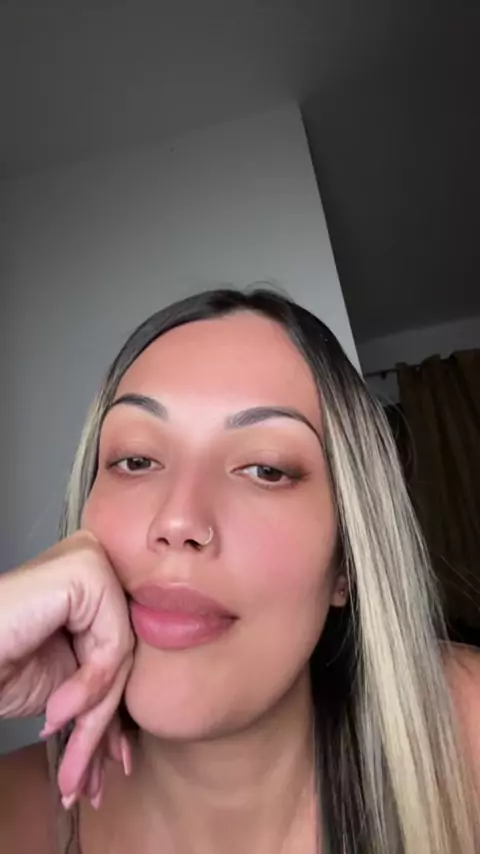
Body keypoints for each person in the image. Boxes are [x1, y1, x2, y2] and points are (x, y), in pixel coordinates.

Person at [0, 287, 479, 854]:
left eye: (266, 469)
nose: (178, 519)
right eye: (136, 459)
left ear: (346, 564)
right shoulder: (17, 813)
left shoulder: (464, 730)